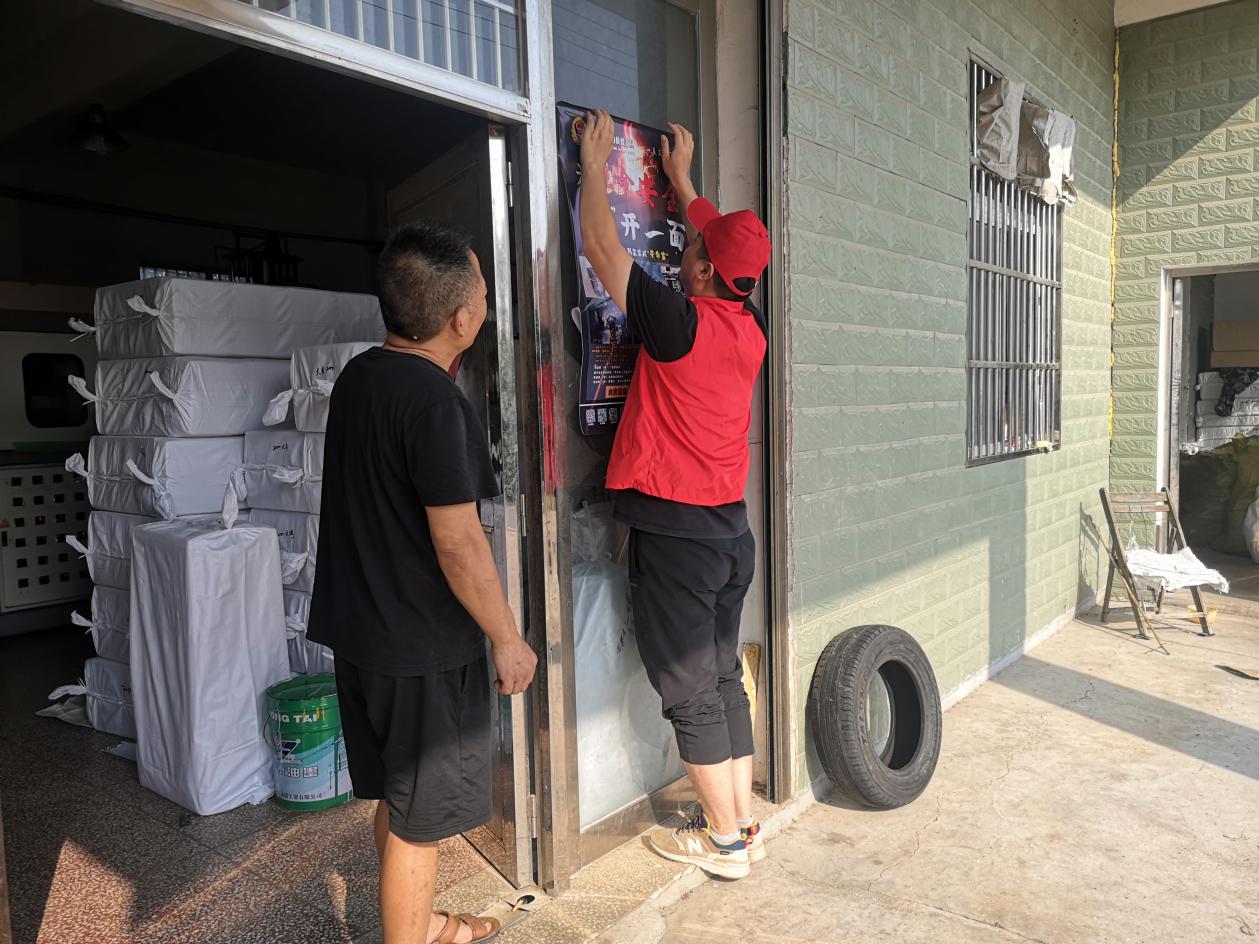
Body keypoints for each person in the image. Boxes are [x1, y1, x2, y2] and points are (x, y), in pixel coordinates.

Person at [308, 220, 537, 944]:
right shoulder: (437, 404)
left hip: (362, 636)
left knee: (395, 796)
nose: (486, 302)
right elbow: (459, 543)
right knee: (420, 823)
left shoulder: (360, 376)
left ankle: (426, 925)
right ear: (460, 319)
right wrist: (507, 639)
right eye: (482, 291)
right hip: (419, 648)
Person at [577, 110, 771, 880]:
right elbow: (719, 242)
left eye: (690, 249)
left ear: (701, 274)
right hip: (728, 538)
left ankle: (723, 843)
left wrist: (594, 165)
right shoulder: (748, 322)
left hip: (680, 541)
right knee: (721, 681)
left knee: (690, 693)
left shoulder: (677, 324)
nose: (682, 249)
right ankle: (742, 823)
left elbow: (602, 249)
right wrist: (684, 182)